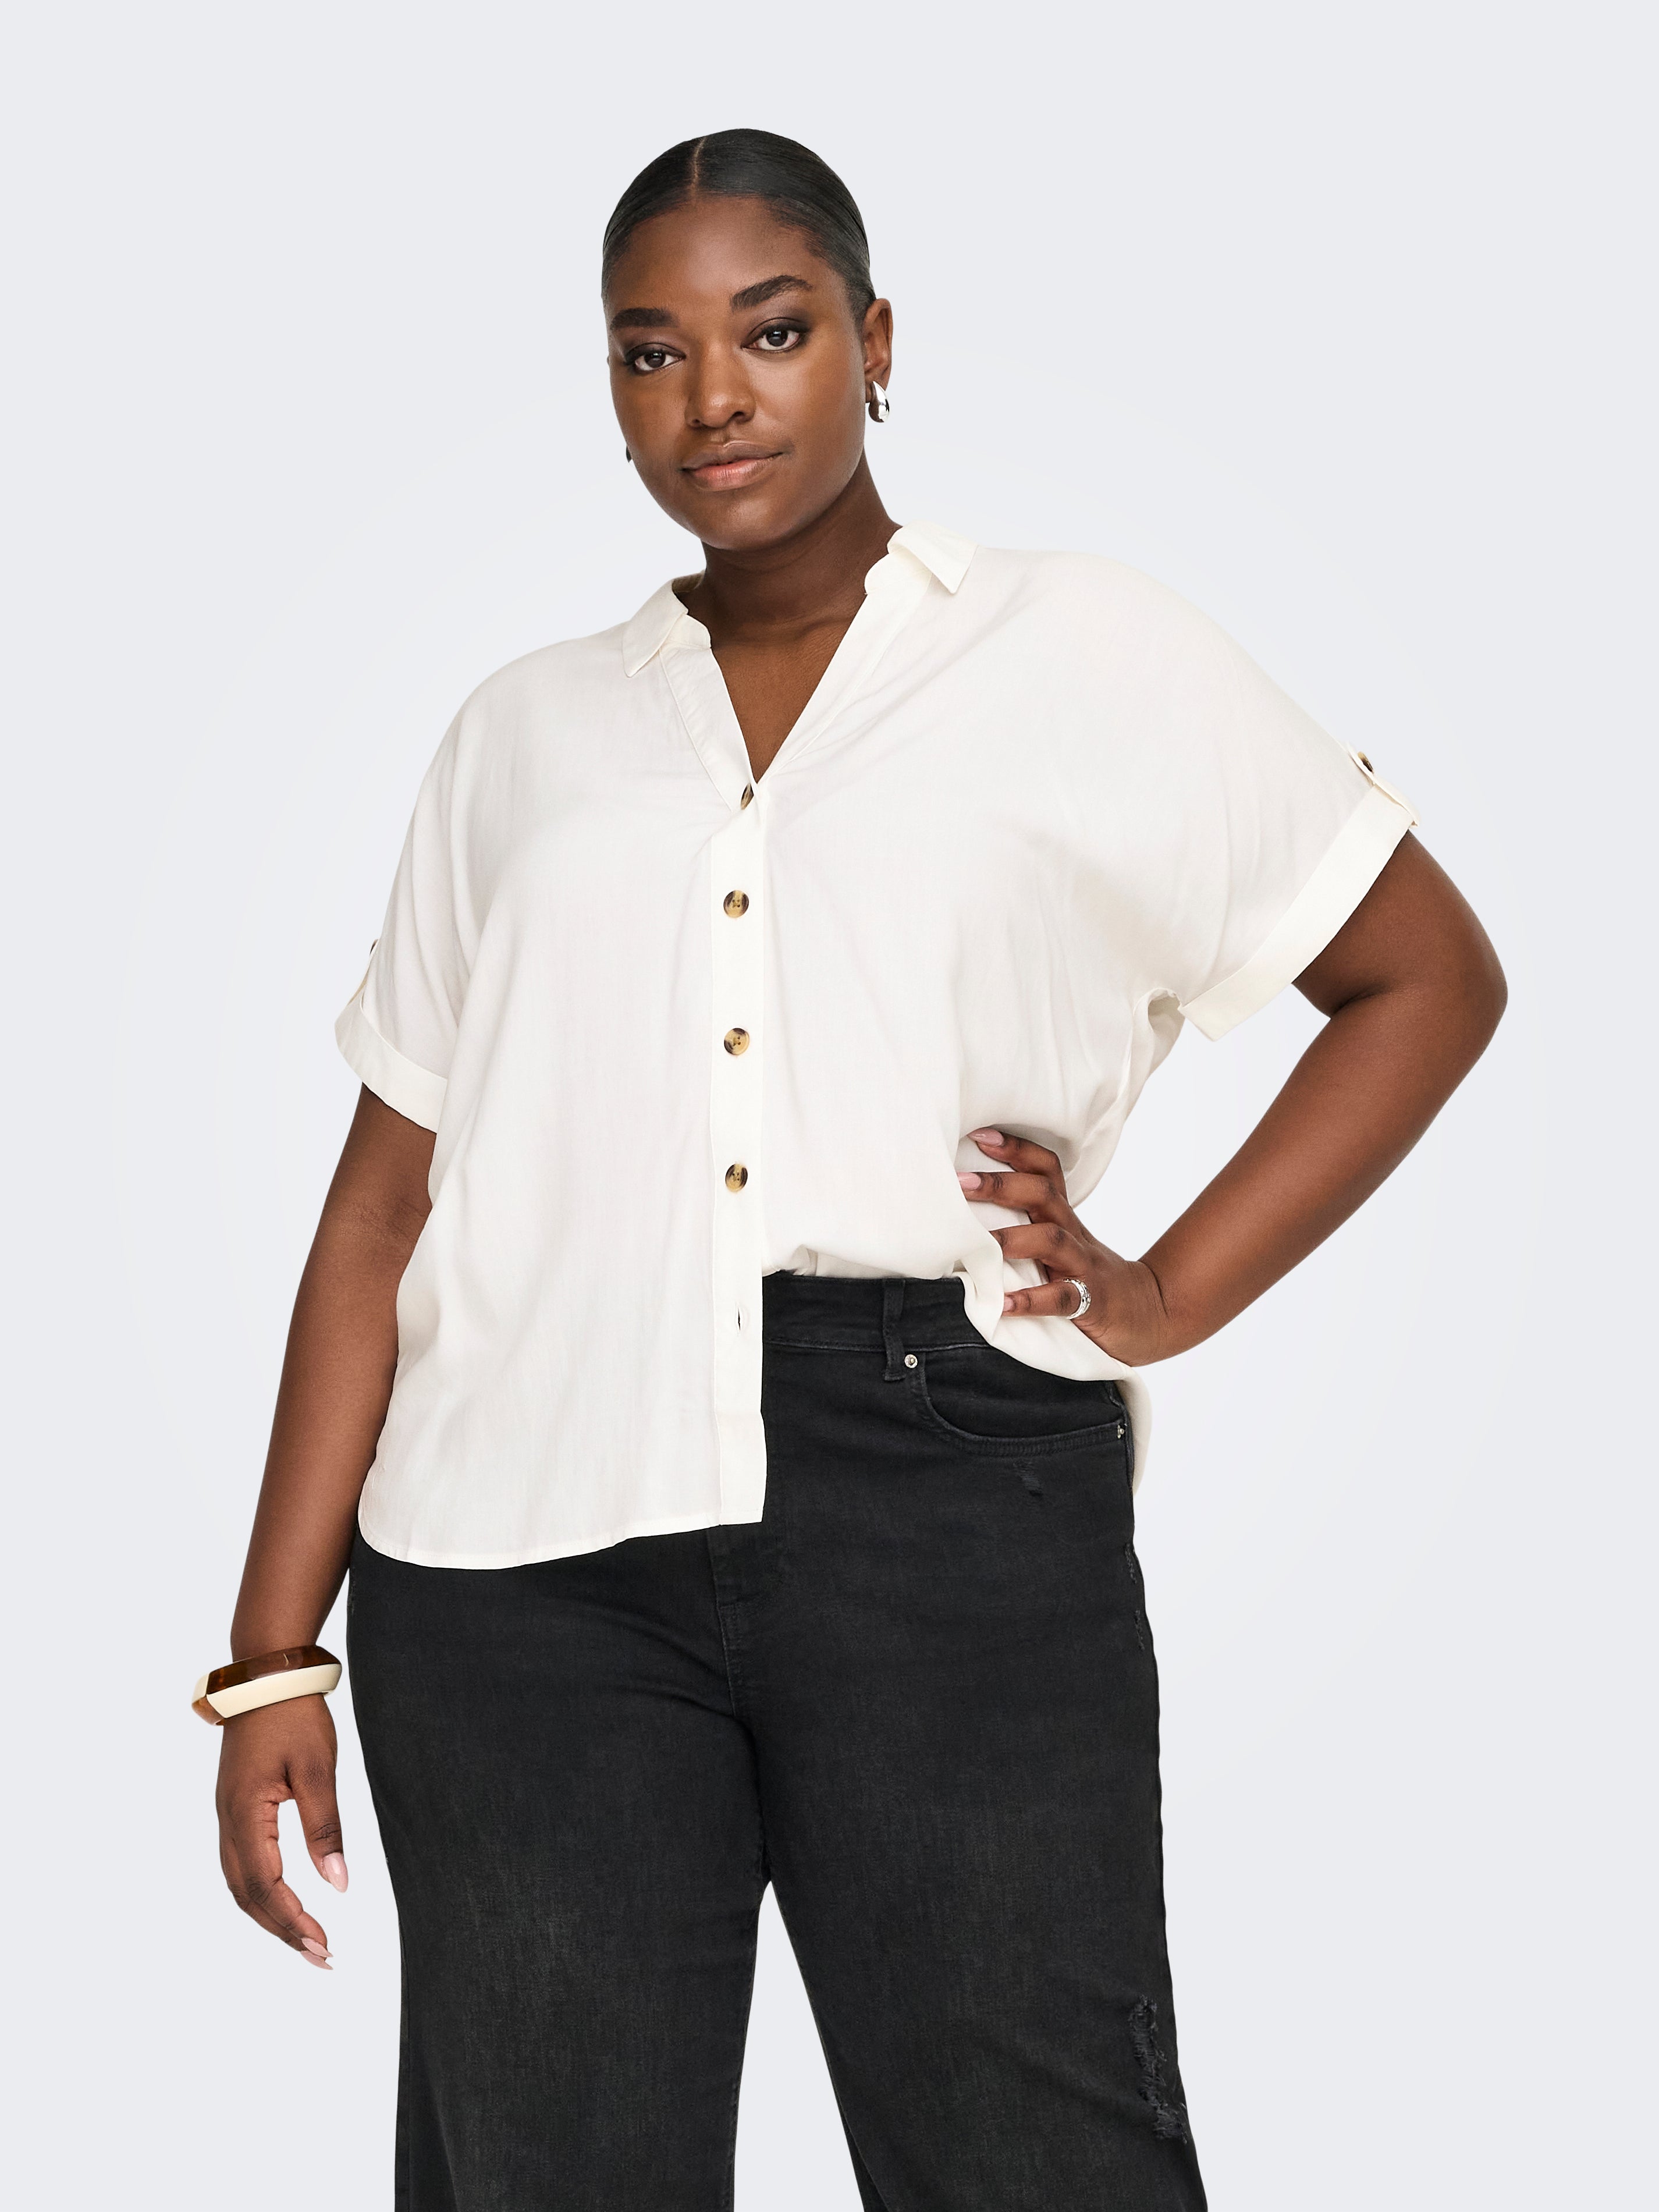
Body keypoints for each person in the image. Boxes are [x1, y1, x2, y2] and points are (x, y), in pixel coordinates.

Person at [205, 128, 1506, 2210]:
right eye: (650, 352)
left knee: (1039, 2156)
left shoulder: (1087, 652)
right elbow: (382, 1207)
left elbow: (1422, 972)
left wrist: (1167, 1288)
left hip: (948, 1487)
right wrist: (274, 1646)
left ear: (876, 343)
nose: (710, 397)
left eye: (773, 330)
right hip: (518, 1546)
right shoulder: (520, 736)